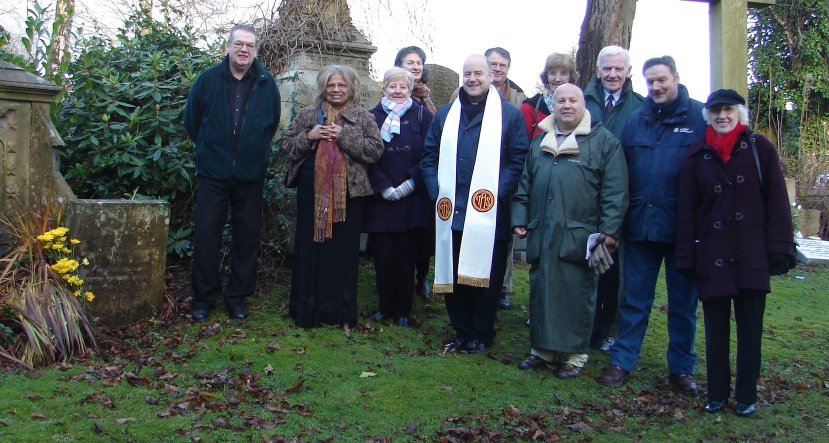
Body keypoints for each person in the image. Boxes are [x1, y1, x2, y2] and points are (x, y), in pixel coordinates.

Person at [676, 89, 794, 416]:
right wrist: (686, 257)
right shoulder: (696, 154)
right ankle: (716, 393)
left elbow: (777, 203)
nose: (722, 116)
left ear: (739, 113)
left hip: (751, 253)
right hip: (712, 255)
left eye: (728, 110)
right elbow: (687, 212)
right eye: (715, 112)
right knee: (715, 330)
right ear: (708, 116)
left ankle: (745, 396)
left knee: (750, 329)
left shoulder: (761, 149)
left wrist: (780, 248)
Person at [598, 56, 706, 394]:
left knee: (683, 305)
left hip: (682, 230)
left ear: (676, 77)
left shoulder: (699, 119)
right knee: (634, 300)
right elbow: (622, 174)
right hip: (641, 227)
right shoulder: (636, 120)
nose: (656, 87)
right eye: (650, 82)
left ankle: (681, 369)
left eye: (662, 80)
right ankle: (622, 361)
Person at [512, 83, 628, 379]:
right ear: (554, 105)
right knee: (542, 290)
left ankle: (574, 355)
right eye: (560, 100)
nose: (566, 105)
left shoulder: (603, 142)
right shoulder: (540, 141)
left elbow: (615, 191)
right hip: (543, 230)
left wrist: (610, 231)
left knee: (576, 293)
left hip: (580, 234)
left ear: (583, 104)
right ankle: (542, 350)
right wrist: (519, 217)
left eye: (573, 100)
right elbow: (524, 184)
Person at [420, 54, 529, 354]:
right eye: (467, 73)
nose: (472, 78)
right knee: (454, 275)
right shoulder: (446, 114)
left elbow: (518, 159)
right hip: (451, 212)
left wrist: (494, 193)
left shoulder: (509, 115)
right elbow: (428, 157)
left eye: (478, 73)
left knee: (486, 277)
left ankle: (482, 332)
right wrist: (436, 191)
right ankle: (461, 329)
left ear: (490, 76)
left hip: (489, 214)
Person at [184, 24, 281, 322]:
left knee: (247, 237)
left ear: (255, 51)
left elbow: (272, 125)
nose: (244, 50)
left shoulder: (267, 84)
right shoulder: (208, 80)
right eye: (239, 44)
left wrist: (255, 152)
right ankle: (204, 298)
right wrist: (209, 149)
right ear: (228, 47)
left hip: (250, 175)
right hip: (214, 173)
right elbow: (192, 121)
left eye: (250, 46)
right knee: (206, 236)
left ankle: (237, 298)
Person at [283, 65, 384, 330]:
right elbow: (287, 147)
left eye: (341, 85)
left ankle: (337, 312)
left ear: (351, 88)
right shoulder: (308, 114)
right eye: (331, 85)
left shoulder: (362, 116)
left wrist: (344, 135)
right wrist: (310, 136)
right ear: (323, 88)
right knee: (311, 248)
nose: (336, 90)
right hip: (311, 194)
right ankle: (307, 310)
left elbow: (375, 151)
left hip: (349, 197)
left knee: (342, 251)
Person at [583, 45, 645, 354]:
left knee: (612, 271)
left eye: (619, 68)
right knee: (582, 267)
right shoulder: (582, 101)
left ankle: (608, 327)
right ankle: (584, 326)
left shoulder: (640, 107)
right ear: (597, 71)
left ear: (629, 71)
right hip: (583, 197)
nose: (612, 74)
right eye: (607, 68)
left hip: (620, 198)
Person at [364, 67, 434, 327]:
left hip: (411, 198)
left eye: (402, 86)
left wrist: (410, 182)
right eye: (392, 86)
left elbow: (430, 153)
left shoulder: (422, 116)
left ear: (410, 88)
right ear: (384, 88)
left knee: (405, 258)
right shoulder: (371, 116)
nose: (397, 91)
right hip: (381, 198)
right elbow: (366, 155)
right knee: (383, 257)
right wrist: (383, 185)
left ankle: (404, 310)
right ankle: (385, 307)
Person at [394, 46, 436, 298]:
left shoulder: (428, 101)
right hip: (397, 175)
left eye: (419, 62)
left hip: (422, 175)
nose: (416, 66)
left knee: (423, 231)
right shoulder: (391, 95)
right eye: (410, 62)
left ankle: (423, 277)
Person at [520, 53, 578, 139]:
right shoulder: (529, 108)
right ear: (546, 76)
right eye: (552, 73)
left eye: (563, 73)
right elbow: (521, 146)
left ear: (571, 77)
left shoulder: (579, 107)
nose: (557, 79)